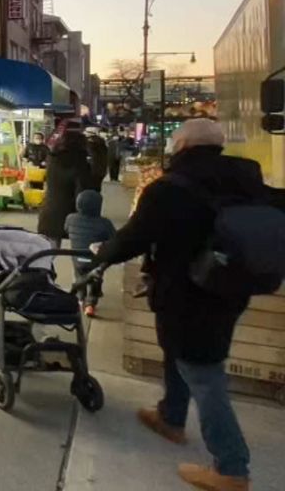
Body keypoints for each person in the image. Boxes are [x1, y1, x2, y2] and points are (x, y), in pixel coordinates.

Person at [95, 119, 263, 491]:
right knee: (179, 352)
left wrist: (101, 252)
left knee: (203, 373)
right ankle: (171, 417)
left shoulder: (170, 189)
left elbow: (133, 239)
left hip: (186, 293)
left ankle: (232, 468)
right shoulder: (246, 182)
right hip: (231, 287)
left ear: (183, 145)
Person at [38, 130, 94, 247]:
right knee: (79, 255)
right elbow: (82, 192)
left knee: (48, 253)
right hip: (72, 214)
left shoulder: (52, 159)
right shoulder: (81, 164)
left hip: (49, 210)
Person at [64, 189, 114, 317]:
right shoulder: (105, 223)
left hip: (77, 256)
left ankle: (81, 298)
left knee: (79, 275)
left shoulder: (70, 218)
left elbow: (66, 230)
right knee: (96, 276)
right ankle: (90, 303)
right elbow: (113, 238)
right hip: (95, 257)